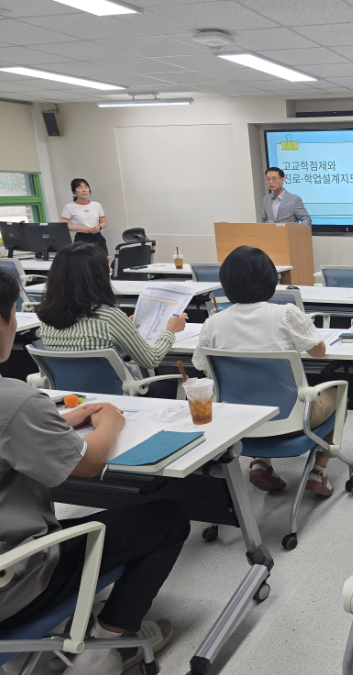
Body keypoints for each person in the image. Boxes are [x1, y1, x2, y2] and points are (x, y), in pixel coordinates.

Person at [0, 269, 189, 675]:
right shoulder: (12, 401)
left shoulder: (20, 403)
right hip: (11, 582)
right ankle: (108, 647)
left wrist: (48, 424)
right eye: (12, 313)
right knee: (168, 517)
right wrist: (111, 424)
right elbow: (89, 463)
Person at [191, 246, 337, 496]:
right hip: (291, 417)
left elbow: (203, 369)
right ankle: (318, 471)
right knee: (335, 393)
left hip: (240, 419)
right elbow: (319, 352)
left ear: (225, 283)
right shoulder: (286, 314)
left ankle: (260, 463)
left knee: (255, 390)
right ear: (270, 280)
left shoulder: (213, 322)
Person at [35, 243, 186, 394]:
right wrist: (170, 331)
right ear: (99, 277)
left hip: (70, 400)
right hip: (114, 400)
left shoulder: (46, 318)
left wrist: (124, 331)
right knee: (184, 385)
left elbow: (88, 351)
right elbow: (151, 360)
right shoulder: (110, 317)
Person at [60, 178, 108, 256]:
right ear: (74, 192)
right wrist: (80, 228)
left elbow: (103, 222)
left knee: (103, 264)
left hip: (98, 238)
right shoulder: (69, 207)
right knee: (84, 264)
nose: (84, 190)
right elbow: (62, 226)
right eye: (79, 187)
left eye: (86, 187)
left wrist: (99, 227)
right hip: (81, 239)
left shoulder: (96, 205)